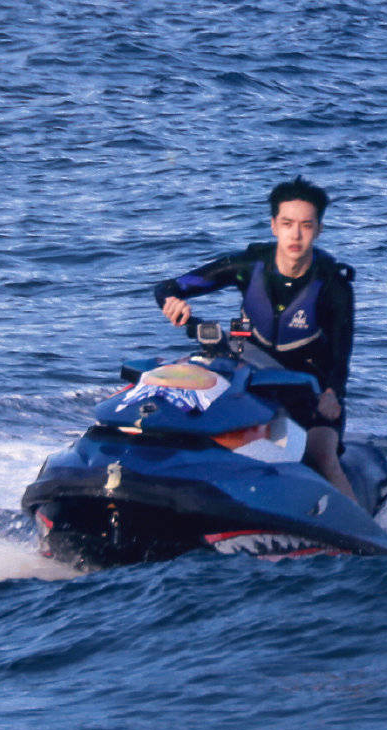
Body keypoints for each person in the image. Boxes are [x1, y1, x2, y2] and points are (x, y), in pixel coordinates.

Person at [153, 177, 358, 502]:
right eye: (288, 223)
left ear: (318, 230)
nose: (296, 234)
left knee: (322, 456)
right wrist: (172, 302)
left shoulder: (333, 285)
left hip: (310, 393)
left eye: (306, 225)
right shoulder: (247, 266)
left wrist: (332, 394)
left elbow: (341, 353)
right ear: (274, 225)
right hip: (251, 381)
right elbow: (170, 286)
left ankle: (366, 542)